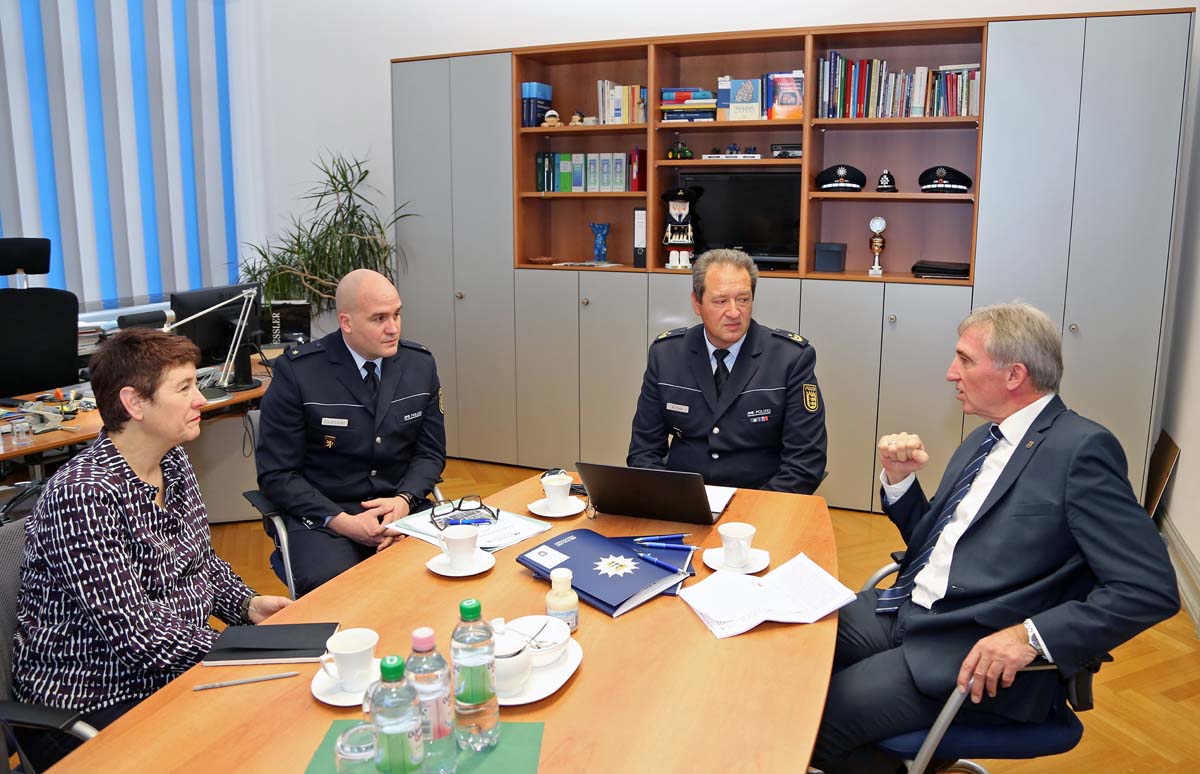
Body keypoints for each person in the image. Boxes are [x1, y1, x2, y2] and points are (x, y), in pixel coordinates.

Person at [811, 302, 1180, 774]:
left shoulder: (1080, 451)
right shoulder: (984, 438)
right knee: (793, 641)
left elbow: (1148, 589)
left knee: (815, 718)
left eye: (965, 359)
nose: (951, 373)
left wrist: (1030, 636)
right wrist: (900, 483)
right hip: (906, 610)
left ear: (1014, 375)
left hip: (969, 647)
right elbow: (938, 544)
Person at [12, 328, 291, 771]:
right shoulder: (83, 496)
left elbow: (198, 562)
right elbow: (137, 635)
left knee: (280, 720)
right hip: (91, 703)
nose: (200, 399)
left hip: (172, 674)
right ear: (134, 403)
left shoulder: (172, 460)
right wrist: (242, 648)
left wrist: (247, 605)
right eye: (184, 388)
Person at [256, 269, 446, 596]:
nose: (393, 328)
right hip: (324, 518)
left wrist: (403, 501)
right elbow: (277, 474)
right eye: (379, 318)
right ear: (346, 322)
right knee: (342, 593)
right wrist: (343, 521)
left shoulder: (420, 365)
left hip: (399, 508)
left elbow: (430, 454)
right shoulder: (299, 373)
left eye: (397, 314)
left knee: (450, 567)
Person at [627, 248, 827, 493]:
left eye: (743, 300)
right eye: (721, 301)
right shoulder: (666, 355)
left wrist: (751, 510)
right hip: (684, 498)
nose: (734, 312)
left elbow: (805, 463)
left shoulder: (790, 359)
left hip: (761, 499)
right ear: (697, 303)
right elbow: (644, 451)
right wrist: (671, 499)